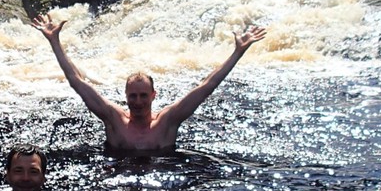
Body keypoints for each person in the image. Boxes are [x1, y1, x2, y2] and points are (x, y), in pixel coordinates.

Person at [31, 13, 267, 153]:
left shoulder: (167, 122)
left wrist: (238, 52)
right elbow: (77, 81)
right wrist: (54, 42)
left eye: (143, 96)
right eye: (133, 96)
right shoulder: (113, 118)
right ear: (126, 97)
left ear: (153, 95)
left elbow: (207, 86)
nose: (138, 102)